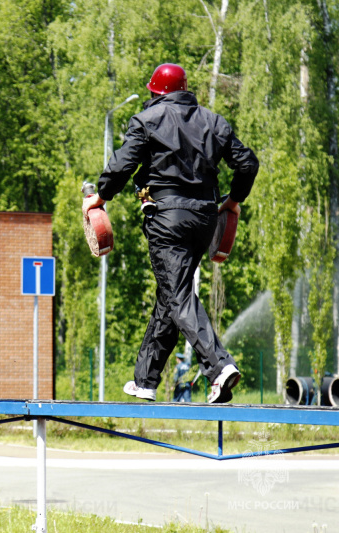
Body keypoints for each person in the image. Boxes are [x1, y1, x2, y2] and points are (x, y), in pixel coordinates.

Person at [82, 63, 258, 404]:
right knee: (171, 295)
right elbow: (247, 164)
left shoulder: (146, 121)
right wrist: (233, 201)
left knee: (177, 297)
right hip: (205, 219)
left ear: (155, 92)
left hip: (167, 219)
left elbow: (121, 166)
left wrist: (100, 197)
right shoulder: (214, 121)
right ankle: (145, 380)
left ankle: (219, 367)